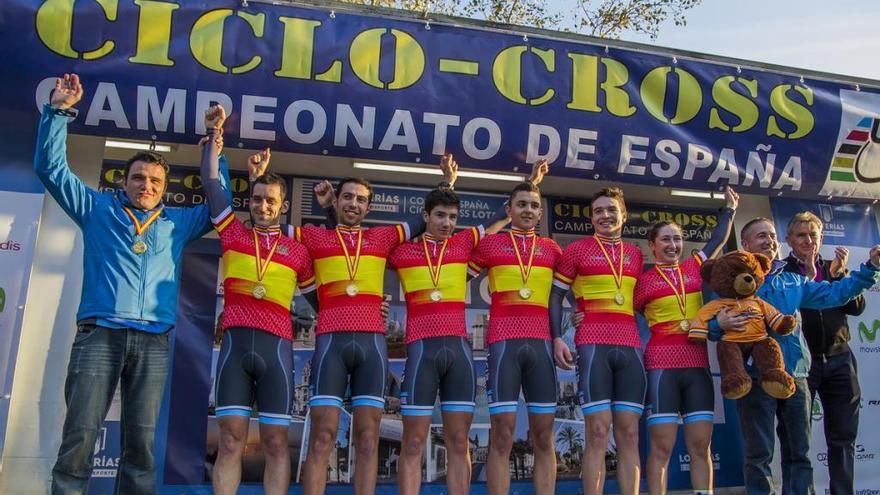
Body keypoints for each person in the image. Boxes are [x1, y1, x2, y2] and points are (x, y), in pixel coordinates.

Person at [35, 74, 231, 494]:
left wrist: (215, 144)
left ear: (165, 189)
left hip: (154, 341)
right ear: (124, 181)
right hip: (99, 336)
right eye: (139, 178)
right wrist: (57, 111)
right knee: (80, 439)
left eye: (156, 182)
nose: (147, 186)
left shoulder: (177, 223)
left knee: (141, 447)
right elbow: (50, 169)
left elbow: (221, 204)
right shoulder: (96, 208)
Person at [390, 155, 547, 495]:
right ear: (425, 217)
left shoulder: (463, 244)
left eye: (452, 217)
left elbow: (507, 215)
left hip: (459, 351)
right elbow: (366, 251)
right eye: (440, 216)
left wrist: (533, 184)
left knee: (459, 440)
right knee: (414, 441)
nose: (447, 223)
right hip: (421, 351)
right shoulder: (402, 253)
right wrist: (446, 184)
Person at [199, 106, 329, 495]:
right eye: (256, 200)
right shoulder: (232, 233)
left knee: (274, 444)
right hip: (235, 348)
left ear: (282, 206)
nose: (263, 207)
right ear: (249, 201)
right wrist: (214, 134)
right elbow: (210, 182)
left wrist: (368, 312)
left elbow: (320, 303)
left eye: (271, 202)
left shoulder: (298, 251)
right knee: (231, 441)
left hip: (278, 350)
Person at [294, 170, 443, 495]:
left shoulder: (382, 238)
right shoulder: (317, 237)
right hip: (331, 343)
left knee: (366, 437)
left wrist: (447, 182)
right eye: (348, 197)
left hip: (372, 346)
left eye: (361, 199)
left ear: (368, 206)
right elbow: (270, 227)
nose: (354, 203)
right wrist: (326, 210)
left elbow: (423, 219)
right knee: (322, 435)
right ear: (337, 200)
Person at [709, 217, 880, 495]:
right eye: (761, 236)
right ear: (746, 243)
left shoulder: (792, 280)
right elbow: (709, 325)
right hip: (755, 379)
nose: (769, 241)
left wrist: (870, 268)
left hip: (797, 378)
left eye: (772, 236)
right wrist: (720, 325)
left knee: (799, 456)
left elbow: (837, 294)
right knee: (758, 457)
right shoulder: (732, 284)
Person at [634, 187, 738, 495]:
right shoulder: (643, 283)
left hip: (696, 365)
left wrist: (729, 209)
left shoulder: (694, 267)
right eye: (665, 239)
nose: (672, 245)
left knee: (700, 446)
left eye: (677, 239)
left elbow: (717, 240)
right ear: (652, 246)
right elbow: (619, 312)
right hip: (661, 367)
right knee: (662, 448)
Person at [468, 180, 562, 495]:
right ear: (508, 210)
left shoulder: (552, 249)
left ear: (540, 214)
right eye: (521, 204)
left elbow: (565, 293)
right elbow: (452, 273)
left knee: (544, 435)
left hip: (541, 346)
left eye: (534, 205)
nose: (528, 210)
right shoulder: (491, 245)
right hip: (503, 343)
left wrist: (582, 315)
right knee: (502, 435)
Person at [549, 186, 644, 495]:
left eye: (611, 210)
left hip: (630, 346)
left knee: (629, 435)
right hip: (592, 346)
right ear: (591, 218)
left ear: (623, 215)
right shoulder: (576, 250)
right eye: (599, 211)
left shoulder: (635, 254)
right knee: (598, 433)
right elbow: (555, 296)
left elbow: (641, 300)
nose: (605, 216)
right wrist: (557, 335)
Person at [782, 211, 865, 495]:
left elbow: (856, 308)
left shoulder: (834, 267)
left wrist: (840, 275)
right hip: (801, 365)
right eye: (801, 236)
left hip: (841, 360)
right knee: (797, 440)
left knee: (843, 438)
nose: (808, 241)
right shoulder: (782, 273)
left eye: (813, 235)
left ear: (822, 238)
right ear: (789, 240)